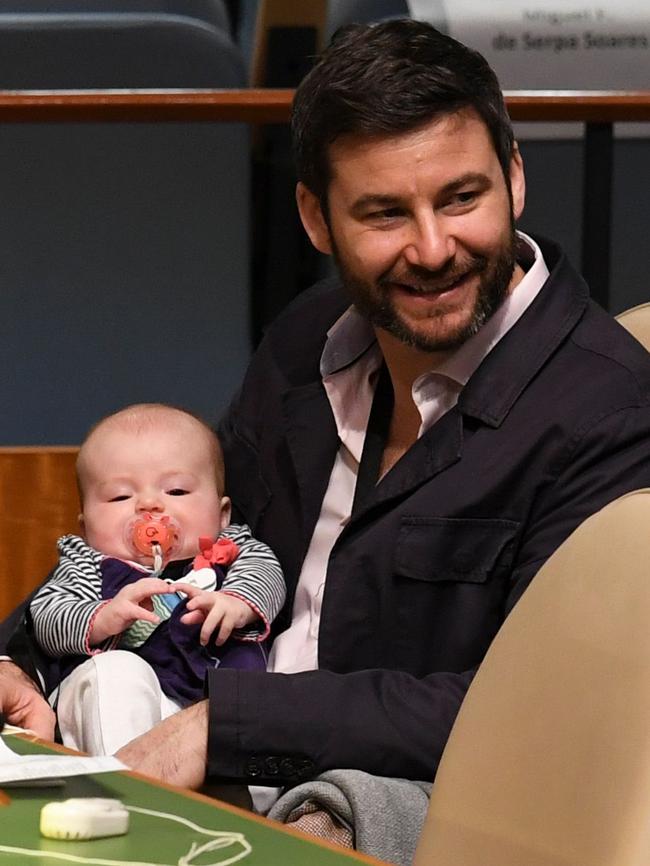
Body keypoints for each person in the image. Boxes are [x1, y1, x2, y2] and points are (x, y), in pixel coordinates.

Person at [2, 16, 650, 806]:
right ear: (316, 219)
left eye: (462, 198)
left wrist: (228, 725)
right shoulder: (308, 338)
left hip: (382, 812)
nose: (434, 247)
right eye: (384, 214)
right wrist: (21, 659)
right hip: (192, 763)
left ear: (514, 178)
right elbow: (182, 532)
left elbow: (539, 709)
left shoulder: (610, 413)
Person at [22, 403, 285, 755]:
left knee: (258, 701)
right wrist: (102, 618)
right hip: (118, 718)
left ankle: (244, 800)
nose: (148, 505)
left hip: (214, 714)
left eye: (175, 491)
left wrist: (237, 601)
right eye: (120, 496)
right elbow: (48, 616)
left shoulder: (232, 548)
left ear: (222, 514)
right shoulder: (86, 564)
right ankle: (128, 790)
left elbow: (266, 571)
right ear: (86, 528)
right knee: (116, 673)